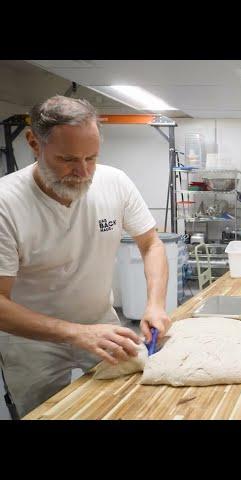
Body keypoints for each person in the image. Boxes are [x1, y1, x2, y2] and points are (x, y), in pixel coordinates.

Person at [0, 96, 172, 418]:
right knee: (44, 413)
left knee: (127, 406)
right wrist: (76, 332)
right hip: (32, 341)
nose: (83, 172)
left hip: (102, 325)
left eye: (91, 158)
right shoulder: (6, 205)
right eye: (67, 159)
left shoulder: (114, 182)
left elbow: (151, 244)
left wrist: (155, 304)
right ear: (34, 143)